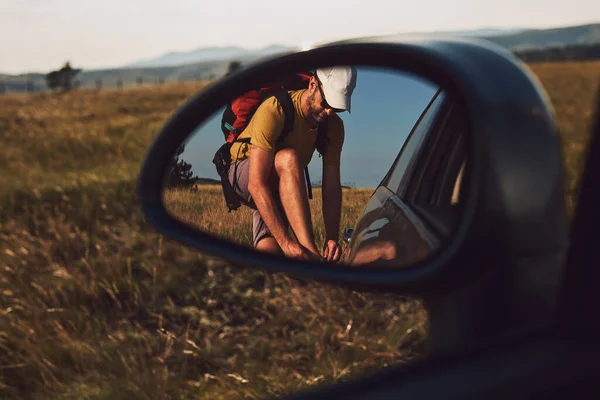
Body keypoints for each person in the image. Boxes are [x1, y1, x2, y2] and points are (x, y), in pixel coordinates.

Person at [227, 66, 358, 262]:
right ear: (312, 84)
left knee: (271, 255)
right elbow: (256, 184)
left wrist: (332, 237)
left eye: (337, 108)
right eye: (327, 102)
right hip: (243, 173)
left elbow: (331, 185)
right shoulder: (275, 108)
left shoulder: (334, 127)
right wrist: (288, 243)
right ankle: (313, 257)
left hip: (279, 183)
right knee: (288, 157)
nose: (329, 112)